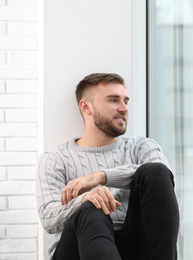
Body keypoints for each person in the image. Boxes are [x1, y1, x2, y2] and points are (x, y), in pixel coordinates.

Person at [36, 73, 179, 260]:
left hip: (133, 248)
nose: (124, 108)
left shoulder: (142, 147)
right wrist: (84, 199)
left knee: (155, 171)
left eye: (125, 101)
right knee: (91, 207)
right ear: (86, 107)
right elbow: (48, 218)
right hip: (77, 251)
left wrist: (101, 176)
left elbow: (163, 179)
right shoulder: (55, 158)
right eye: (114, 100)